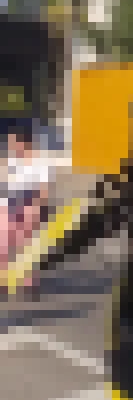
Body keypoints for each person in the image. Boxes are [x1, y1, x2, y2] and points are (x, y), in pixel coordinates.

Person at [1, 125, 52, 297]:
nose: (12, 147)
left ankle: (29, 284)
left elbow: (43, 189)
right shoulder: (13, 160)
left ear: (25, 142)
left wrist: (37, 208)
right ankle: (4, 280)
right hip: (10, 204)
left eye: (15, 143)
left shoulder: (39, 161)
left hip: (30, 205)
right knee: (3, 245)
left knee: (26, 247)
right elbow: (8, 184)